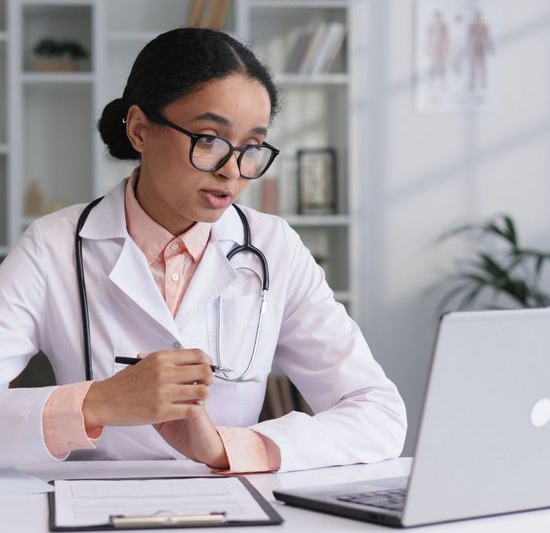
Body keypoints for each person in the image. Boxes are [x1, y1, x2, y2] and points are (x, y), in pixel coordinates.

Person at [0, 28, 406, 472]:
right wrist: (95, 403)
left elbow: (378, 413)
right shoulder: (53, 246)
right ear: (139, 129)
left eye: (250, 147)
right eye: (209, 138)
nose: (232, 170)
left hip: (234, 503)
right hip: (95, 507)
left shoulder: (274, 248)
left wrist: (223, 448)